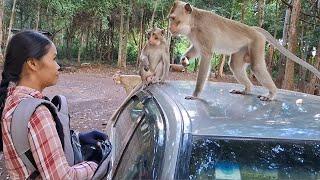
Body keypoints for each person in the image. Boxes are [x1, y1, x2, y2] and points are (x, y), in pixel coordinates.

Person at [0, 30, 107, 179]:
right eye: (54, 59)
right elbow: (61, 177)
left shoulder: (12, 100)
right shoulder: (37, 112)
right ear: (32, 63)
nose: (58, 66)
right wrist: (97, 162)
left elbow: (32, 147)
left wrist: (76, 138)